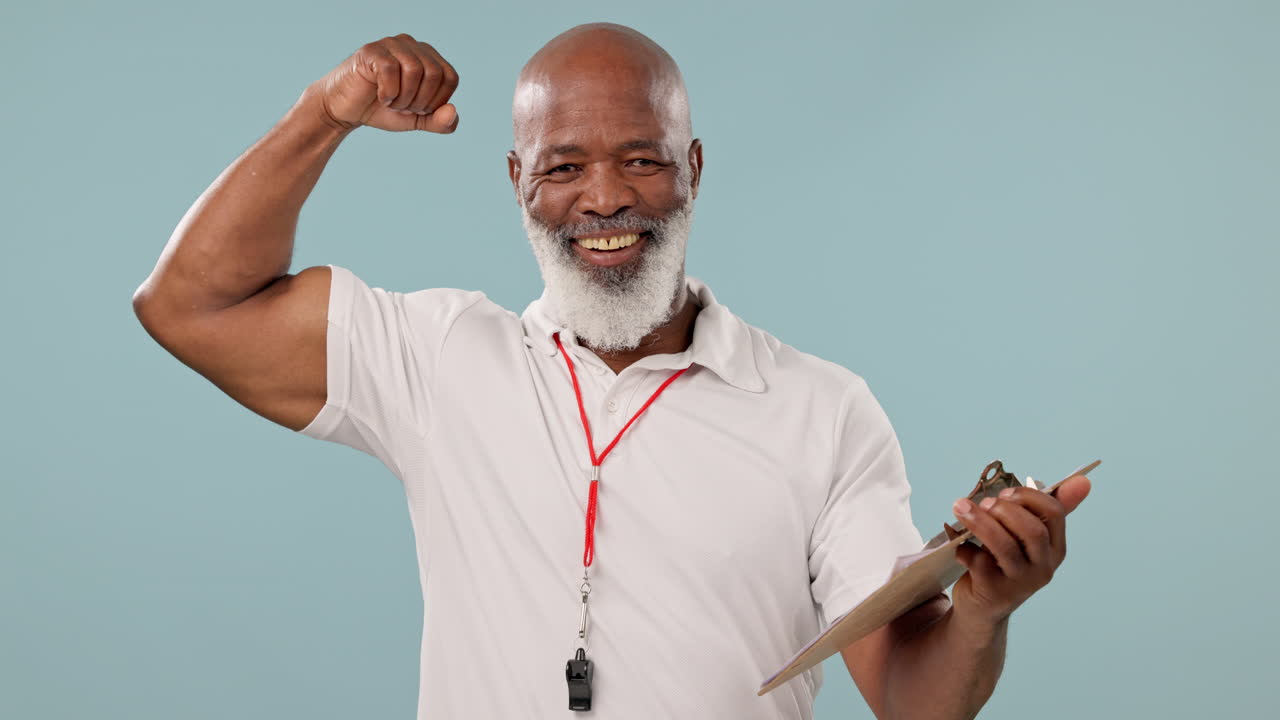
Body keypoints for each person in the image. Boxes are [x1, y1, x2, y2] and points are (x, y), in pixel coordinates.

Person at [132, 22, 1091, 720]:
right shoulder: (435, 360)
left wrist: (981, 614)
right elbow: (191, 305)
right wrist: (324, 113)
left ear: (695, 169)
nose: (604, 200)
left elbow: (916, 699)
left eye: (641, 160)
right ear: (515, 181)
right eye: (562, 167)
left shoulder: (822, 411)